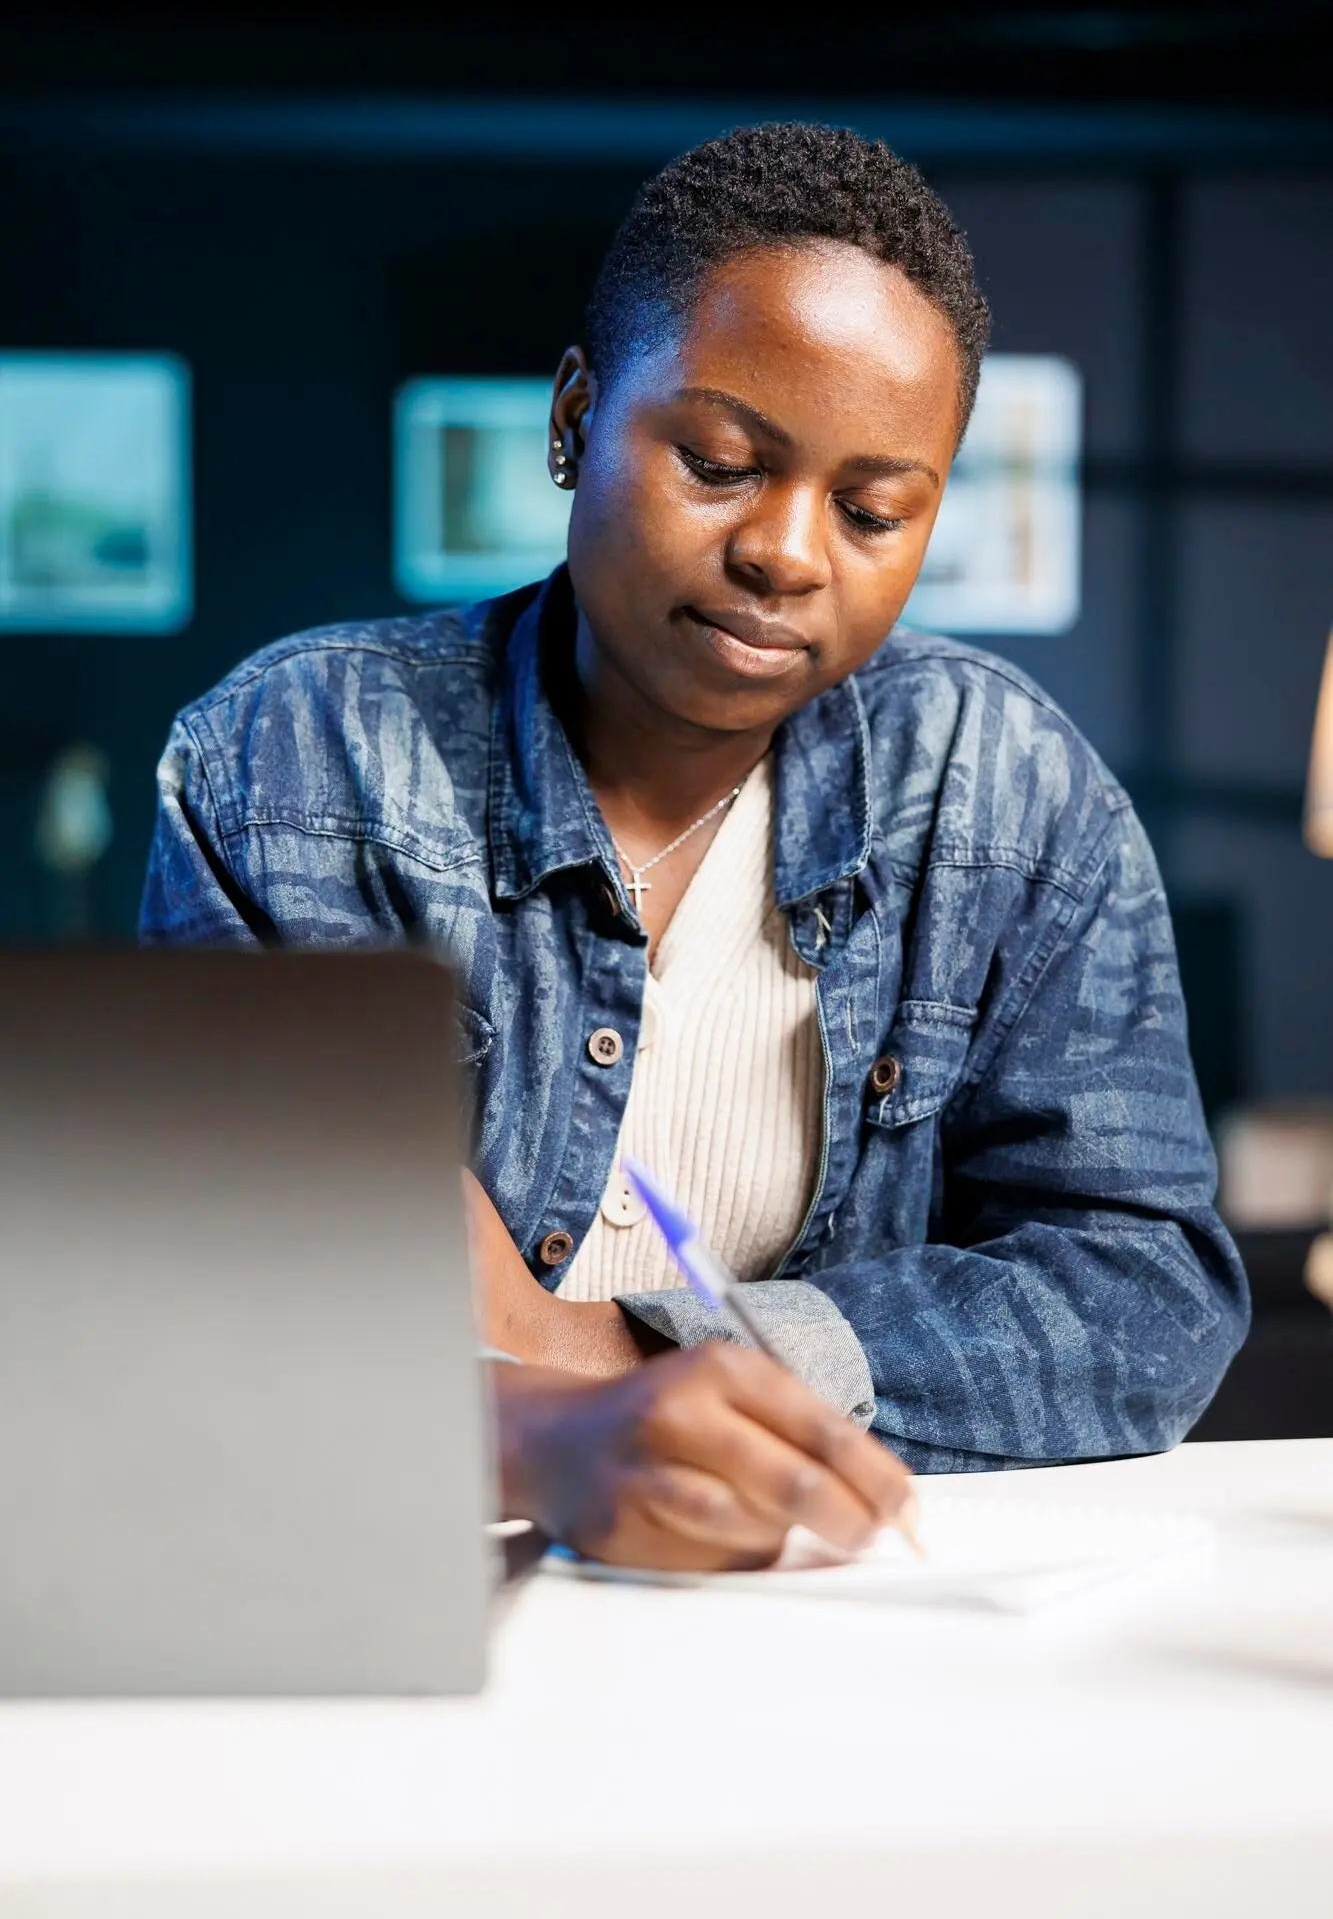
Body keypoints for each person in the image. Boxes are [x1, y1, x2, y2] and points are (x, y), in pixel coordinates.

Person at [142, 122, 1249, 1555]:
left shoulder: (1005, 789)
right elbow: (228, 1309)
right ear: (574, 420)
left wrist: (607, 1357)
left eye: (872, 508)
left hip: (840, 1633)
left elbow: (1146, 1289)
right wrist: (546, 1451)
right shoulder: (290, 763)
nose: (788, 552)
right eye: (722, 461)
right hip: (392, 1584)